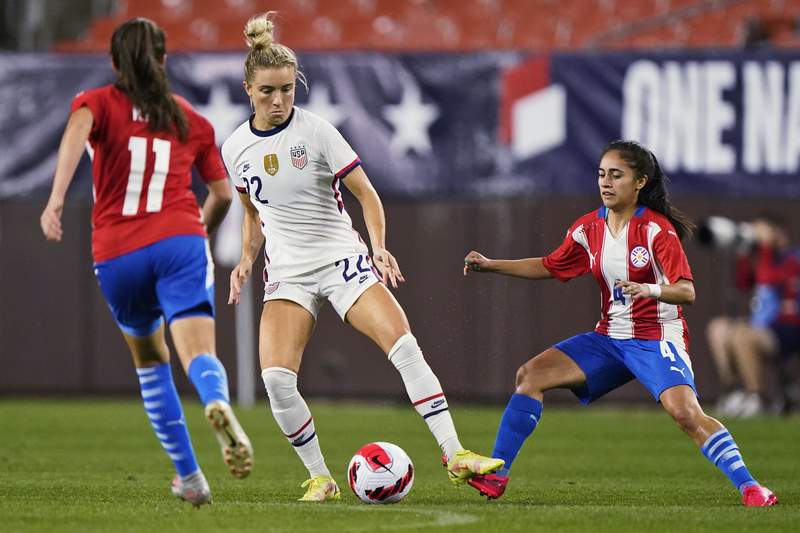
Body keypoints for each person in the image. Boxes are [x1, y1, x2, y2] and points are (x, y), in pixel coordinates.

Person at [223, 12, 502, 502]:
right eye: (268, 91)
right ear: (248, 87)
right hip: (287, 272)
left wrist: (377, 246)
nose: (279, 100)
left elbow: (367, 195)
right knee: (275, 380)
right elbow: (252, 210)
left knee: (403, 344)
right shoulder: (235, 148)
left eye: (287, 89)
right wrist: (248, 257)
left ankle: (455, 454)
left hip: (341, 258)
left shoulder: (318, 132)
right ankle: (321, 478)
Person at [462, 140, 777, 507]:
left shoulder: (657, 231)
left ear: (640, 181)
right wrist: (491, 264)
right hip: (609, 339)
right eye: (601, 174)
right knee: (530, 375)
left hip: (656, 338)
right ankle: (498, 475)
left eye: (616, 175)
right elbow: (551, 265)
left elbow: (686, 292)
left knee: (685, 413)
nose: (606, 183)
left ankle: (752, 487)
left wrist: (648, 288)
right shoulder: (588, 228)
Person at [39, 18, 252, 507]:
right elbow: (221, 195)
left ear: (115, 62)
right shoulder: (189, 120)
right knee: (198, 354)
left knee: (151, 362)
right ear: (163, 60)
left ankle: (191, 478)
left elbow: (76, 132)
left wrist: (54, 201)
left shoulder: (97, 103)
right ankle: (215, 399)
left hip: (116, 252)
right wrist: (195, 229)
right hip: (179, 240)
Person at [706, 215, 800, 417]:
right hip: (762, 326)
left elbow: (768, 279)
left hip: (788, 327)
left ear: (779, 234)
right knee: (718, 328)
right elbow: (742, 284)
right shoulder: (761, 259)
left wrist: (765, 248)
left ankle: (758, 396)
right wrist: (742, 251)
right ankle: (733, 391)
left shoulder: (793, 258)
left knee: (742, 334)